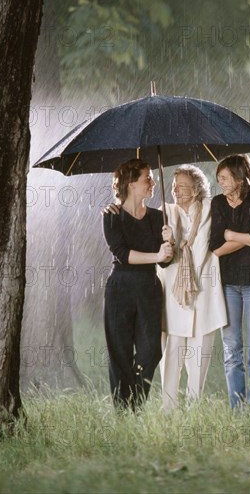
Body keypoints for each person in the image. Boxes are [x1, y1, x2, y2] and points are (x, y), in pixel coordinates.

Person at [102, 158, 173, 410]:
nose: (152, 182)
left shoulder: (157, 217)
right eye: (147, 178)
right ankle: (124, 411)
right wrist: (157, 255)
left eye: (152, 178)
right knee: (120, 352)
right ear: (131, 183)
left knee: (150, 350)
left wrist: (168, 244)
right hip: (120, 288)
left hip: (149, 289)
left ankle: (136, 403)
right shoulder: (112, 216)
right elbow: (123, 253)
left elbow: (164, 262)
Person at [209, 154, 250, 410]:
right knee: (231, 349)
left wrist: (231, 234)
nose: (221, 183)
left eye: (225, 178)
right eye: (218, 179)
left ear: (239, 177)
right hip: (227, 285)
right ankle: (236, 409)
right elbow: (215, 246)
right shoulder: (217, 203)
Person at [158, 165, 227, 410]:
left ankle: (194, 406)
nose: (176, 191)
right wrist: (166, 241)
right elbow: (159, 255)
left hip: (204, 292)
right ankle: (168, 407)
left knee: (200, 353)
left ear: (197, 189)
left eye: (183, 186)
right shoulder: (164, 213)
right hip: (174, 294)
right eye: (174, 186)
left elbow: (237, 201)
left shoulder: (211, 208)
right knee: (172, 352)